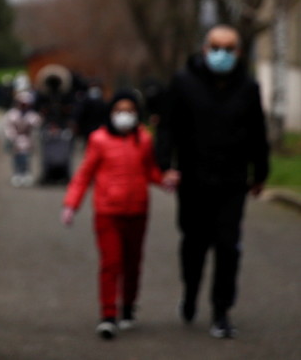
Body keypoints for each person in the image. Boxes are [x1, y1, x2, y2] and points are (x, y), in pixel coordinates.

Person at [155, 24, 269, 339]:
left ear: (239, 53)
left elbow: (257, 133)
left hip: (232, 181)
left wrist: (260, 173)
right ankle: (190, 292)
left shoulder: (247, 87)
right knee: (194, 244)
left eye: (229, 49)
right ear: (205, 49)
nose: (222, 54)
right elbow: (168, 128)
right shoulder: (183, 82)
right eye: (216, 47)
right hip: (193, 179)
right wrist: (166, 165)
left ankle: (221, 310)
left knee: (228, 246)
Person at [61, 90, 166, 340]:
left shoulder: (144, 139)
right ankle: (108, 315)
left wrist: (168, 180)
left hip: (138, 211)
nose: (125, 116)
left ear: (137, 114)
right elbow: (85, 174)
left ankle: (128, 307)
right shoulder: (99, 140)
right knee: (111, 263)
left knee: (133, 264)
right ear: (110, 113)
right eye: (119, 111)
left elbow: (151, 171)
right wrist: (71, 205)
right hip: (108, 212)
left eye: (130, 111)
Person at [4, 91, 41, 187]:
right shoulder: (12, 114)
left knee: (27, 158)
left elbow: (36, 126)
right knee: (17, 158)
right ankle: (17, 173)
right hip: (16, 139)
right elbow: (9, 128)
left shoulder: (32, 115)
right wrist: (13, 138)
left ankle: (26, 173)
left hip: (28, 139)